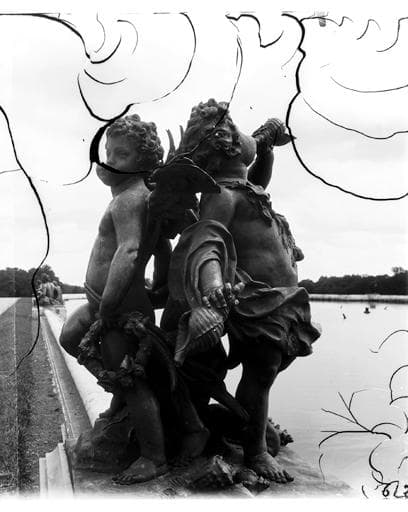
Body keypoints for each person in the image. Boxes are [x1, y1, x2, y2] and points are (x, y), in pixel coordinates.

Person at [171, 99, 320, 483]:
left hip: (282, 300)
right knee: (262, 369)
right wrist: (213, 286)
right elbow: (207, 243)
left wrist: (267, 151)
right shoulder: (221, 195)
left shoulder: (245, 187)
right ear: (229, 147)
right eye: (239, 132)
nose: (248, 136)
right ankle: (255, 451)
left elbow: (260, 179)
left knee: (269, 368)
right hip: (255, 301)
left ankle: (247, 421)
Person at [59, 114, 171, 484]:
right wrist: (159, 286)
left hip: (117, 307)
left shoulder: (129, 199)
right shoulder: (138, 198)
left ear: (144, 162)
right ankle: (119, 403)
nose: (109, 161)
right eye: (109, 152)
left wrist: (108, 305)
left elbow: (129, 250)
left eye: (121, 154)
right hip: (108, 302)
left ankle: (154, 456)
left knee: (129, 379)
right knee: (70, 337)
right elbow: (163, 249)